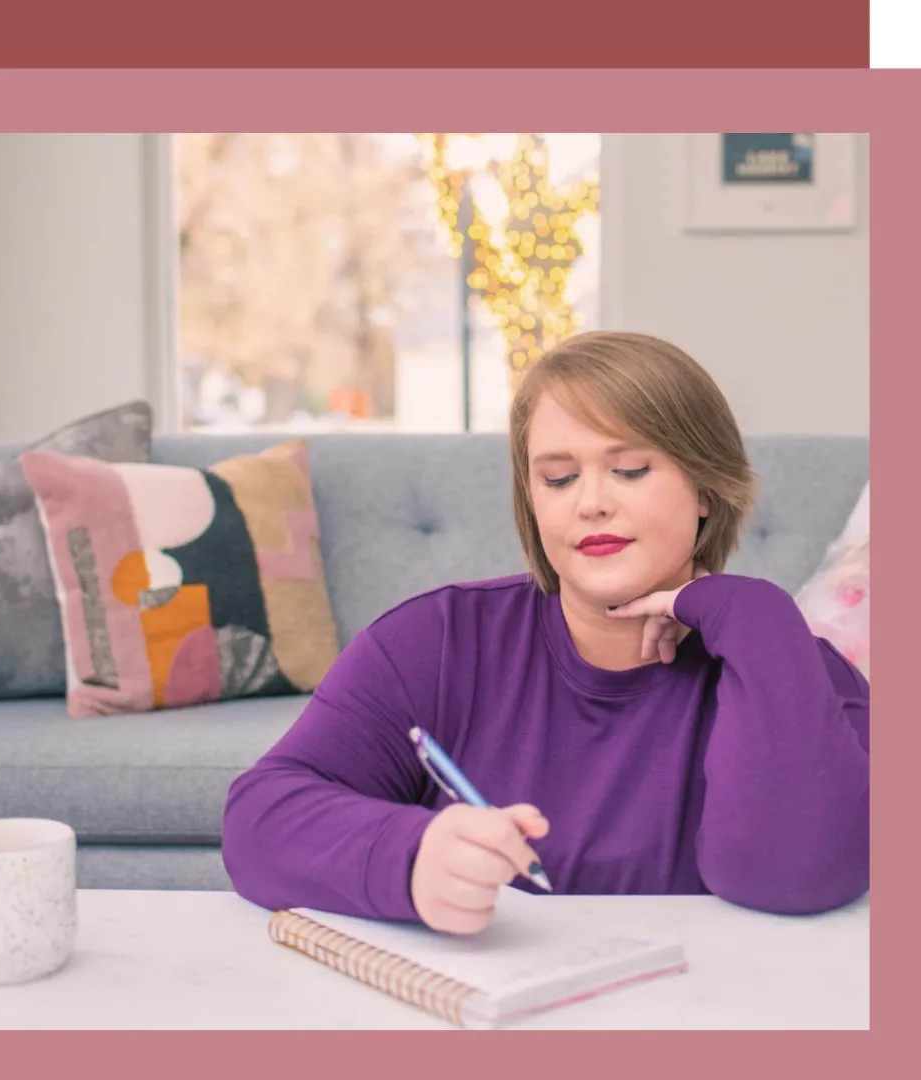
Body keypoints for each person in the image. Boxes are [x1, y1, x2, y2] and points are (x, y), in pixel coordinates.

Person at [222, 331, 869, 934]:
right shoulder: (435, 641)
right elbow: (259, 819)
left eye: (630, 469)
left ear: (705, 488)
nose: (590, 502)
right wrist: (410, 859)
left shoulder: (794, 669)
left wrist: (752, 613)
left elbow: (795, 876)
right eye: (558, 478)